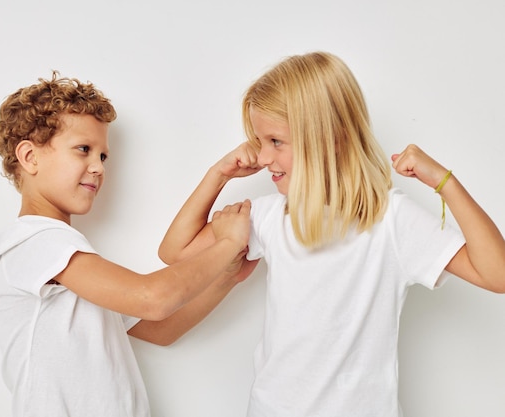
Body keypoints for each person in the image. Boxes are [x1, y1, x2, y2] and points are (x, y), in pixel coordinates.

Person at [158, 52, 505, 417]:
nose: (261, 157)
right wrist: (219, 174)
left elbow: (496, 274)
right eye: (259, 142)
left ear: (330, 139)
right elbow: (175, 251)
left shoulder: (391, 220)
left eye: (275, 141)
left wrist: (443, 181)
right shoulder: (271, 216)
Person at [0, 72, 253, 417]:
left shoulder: (68, 255)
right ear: (30, 157)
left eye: (103, 156)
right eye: (84, 150)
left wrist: (226, 276)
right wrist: (228, 243)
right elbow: (153, 299)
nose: (98, 168)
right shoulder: (33, 241)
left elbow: (160, 328)